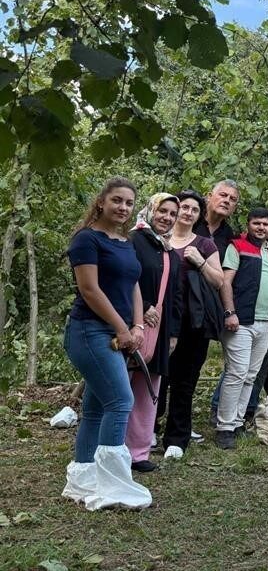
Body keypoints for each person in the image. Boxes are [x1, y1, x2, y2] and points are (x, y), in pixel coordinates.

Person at [62, 177, 151, 510]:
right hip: (89, 331)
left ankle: (84, 479)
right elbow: (90, 290)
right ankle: (113, 487)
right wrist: (121, 328)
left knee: (98, 408)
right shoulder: (86, 240)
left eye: (129, 203)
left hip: (118, 332)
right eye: (116, 200)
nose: (123, 208)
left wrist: (138, 326)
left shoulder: (125, 242)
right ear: (101, 202)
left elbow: (134, 285)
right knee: (120, 401)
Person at [161, 190, 224, 460]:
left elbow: (219, 281)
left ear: (199, 215)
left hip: (193, 323)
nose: (187, 212)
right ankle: (146, 430)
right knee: (155, 378)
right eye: (183, 207)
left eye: (193, 210)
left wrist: (199, 262)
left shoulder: (205, 245)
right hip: (158, 320)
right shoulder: (158, 240)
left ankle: (177, 437)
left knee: (184, 381)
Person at [216, 208, 268, 449]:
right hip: (240, 322)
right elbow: (225, 281)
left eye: (266, 224)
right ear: (249, 224)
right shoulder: (238, 247)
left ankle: (237, 422)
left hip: (266, 323)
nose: (262, 228)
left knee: (251, 376)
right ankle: (224, 427)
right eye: (257, 223)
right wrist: (229, 312)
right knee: (236, 373)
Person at [126, 193, 183, 473]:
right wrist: (144, 307)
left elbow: (175, 295)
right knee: (122, 387)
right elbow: (123, 279)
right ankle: (113, 448)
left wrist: (172, 333)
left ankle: (139, 452)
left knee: (149, 390)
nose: (167, 217)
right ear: (150, 210)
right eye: (163, 211)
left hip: (158, 330)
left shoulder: (169, 250)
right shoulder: (133, 241)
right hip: (130, 324)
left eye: (173, 214)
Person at [194, 179, 239, 255]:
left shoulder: (229, 235)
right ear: (209, 196)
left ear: (234, 208)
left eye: (232, 199)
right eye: (223, 195)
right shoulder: (192, 220)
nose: (227, 201)